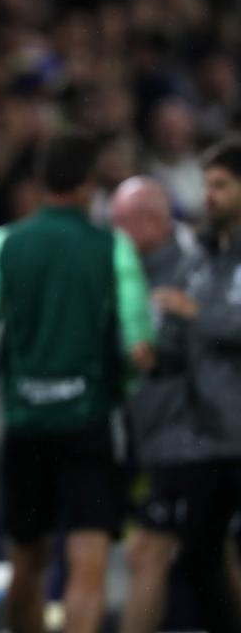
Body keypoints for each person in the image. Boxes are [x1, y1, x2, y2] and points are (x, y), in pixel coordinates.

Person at [0, 131, 154, 633]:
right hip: (89, 421)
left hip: (26, 424)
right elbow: (138, 342)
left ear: (41, 182)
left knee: (27, 562)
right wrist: (120, 387)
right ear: (89, 185)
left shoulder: (4, 243)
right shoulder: (113, 248)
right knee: (87, 564)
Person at [123, 138, 241, 632]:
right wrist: (156, 359)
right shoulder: (203, 257)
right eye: (206, 184)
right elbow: (184, 344)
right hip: (211, 436)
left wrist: (198, 313)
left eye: (221, 185)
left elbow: (216, 323)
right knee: (197, 560)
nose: (208, 195)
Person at [110, 176, 208, 633]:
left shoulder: (195, 268)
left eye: (122, 222)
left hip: (187, 436)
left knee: (147, 552)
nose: (114, 232)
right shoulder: (123, 269)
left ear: (153, 220)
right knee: (210, 555)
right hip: (148, 439)